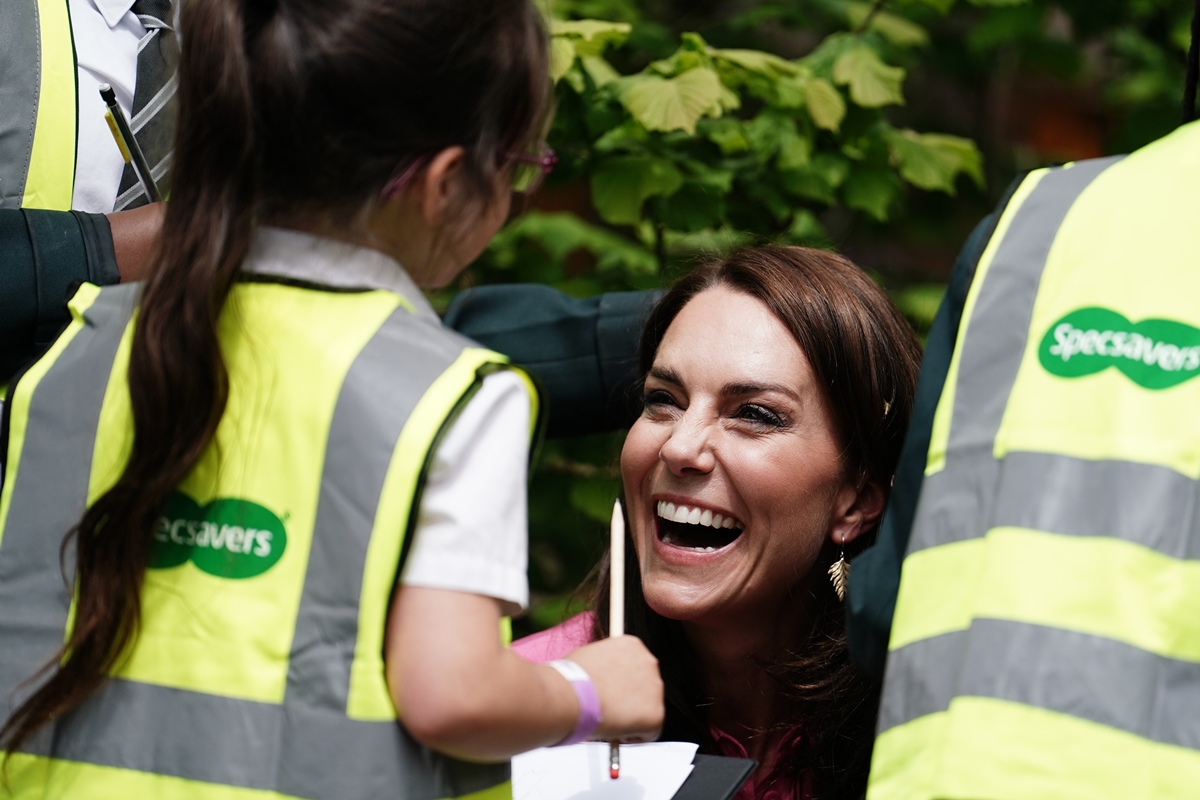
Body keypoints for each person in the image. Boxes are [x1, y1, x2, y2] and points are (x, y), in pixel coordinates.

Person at [0, 0, 663, 796]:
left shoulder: (78, 350)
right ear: (448, 184)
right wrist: (589, 689)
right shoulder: (453, 400)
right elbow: (453, 696)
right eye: (521, 168)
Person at [514, 246, 922, 800]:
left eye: (753, 414)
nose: (680, 446)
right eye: (663, 400)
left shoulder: (929, 725)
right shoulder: (525, 702)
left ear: (857, 502)